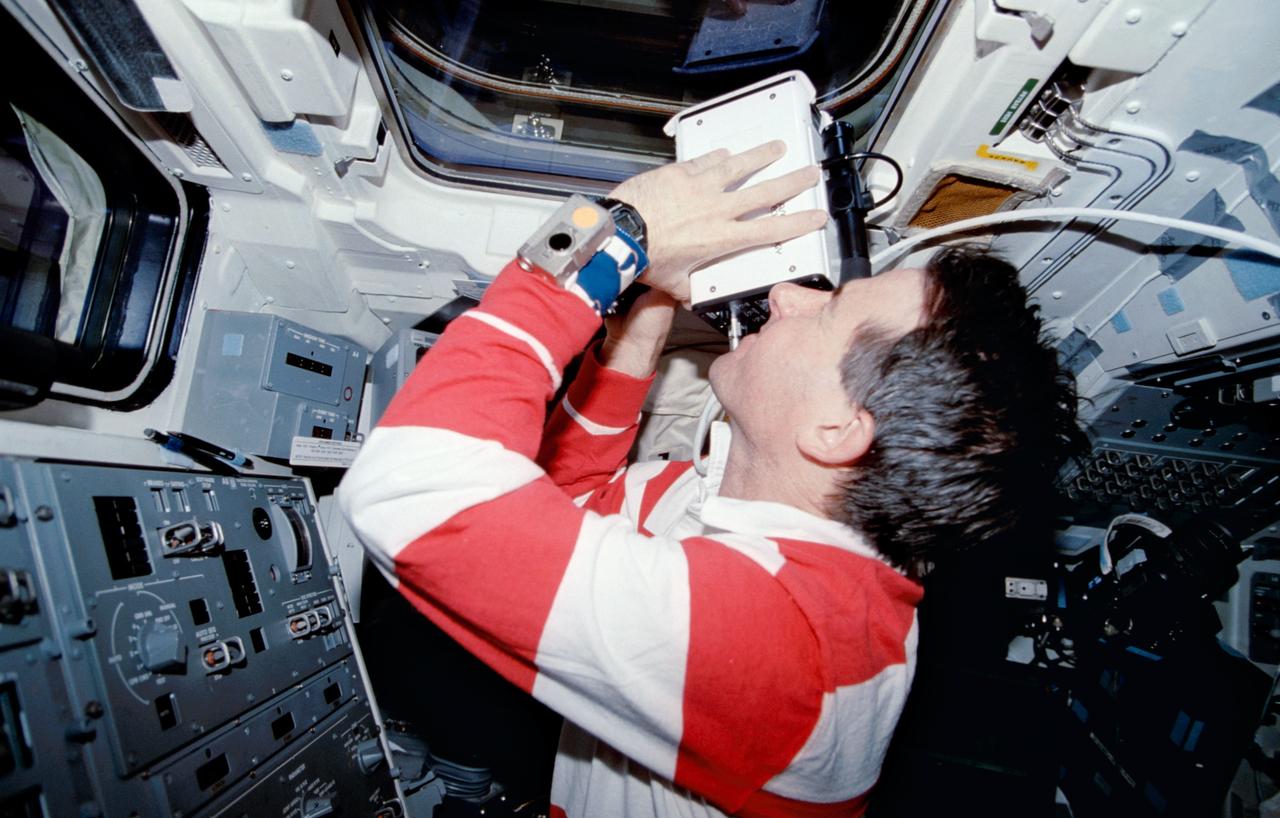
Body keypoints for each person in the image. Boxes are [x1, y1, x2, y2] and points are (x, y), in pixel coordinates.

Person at [338, 141, 1080, 817]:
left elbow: (411, 491)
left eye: (832, 311)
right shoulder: (752, 522)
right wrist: (650, 306)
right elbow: (571, 508)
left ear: (836, 431)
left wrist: (614, 237)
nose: (790, 296)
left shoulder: (788, 652)